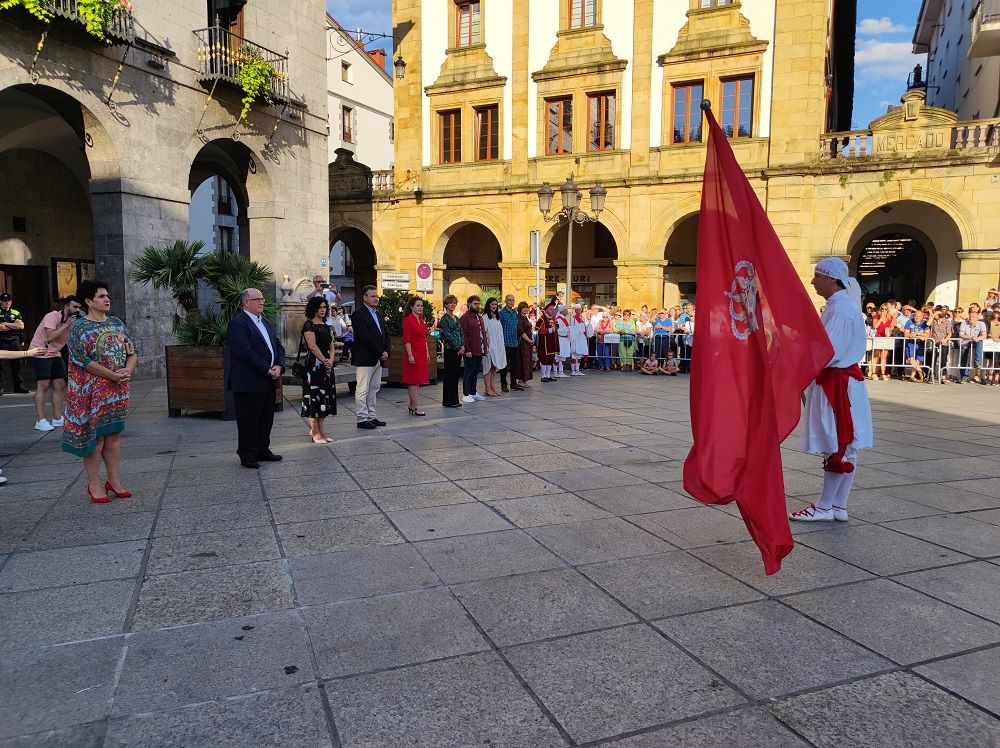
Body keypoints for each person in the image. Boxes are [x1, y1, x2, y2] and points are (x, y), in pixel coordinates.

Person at [791, 258, 872, 523]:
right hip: (845, 382)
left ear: (831, 279)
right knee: (847, 445)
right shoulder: (843, 306)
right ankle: (838, 504)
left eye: (817, 276)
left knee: (836, 443)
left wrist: (797, 369)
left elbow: (829, 352)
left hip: (836, 382)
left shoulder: (840, 309)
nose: (813, 281)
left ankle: (825, 506)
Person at [62, 279, 138, 502]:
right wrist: (112, 374)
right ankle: (94, 485)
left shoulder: (116, 323)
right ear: (88, 301)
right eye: (101, 296)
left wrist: (127, 370)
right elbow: (80, 359)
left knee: (113, 436)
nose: (107, 300)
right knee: (96, 439)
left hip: (117, 390)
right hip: (92, 391)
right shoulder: (79, 327)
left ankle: (114, 481)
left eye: (107, 296)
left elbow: (132, 351)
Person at [227, 288, 285, 467]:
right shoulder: (238, 323)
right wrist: (266, 369)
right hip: (248, 381)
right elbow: (244, 352)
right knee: (248, 420)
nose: (262, 302)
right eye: (257, 299)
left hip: (268, 380)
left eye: (262, 299)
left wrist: (279, 366)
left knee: (266, 418)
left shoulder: (266, 322)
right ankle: (247, 455)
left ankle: (262, 449)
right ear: (246, 303)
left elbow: (278, 346)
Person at [28, 296, 82, 431]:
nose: (77, 310)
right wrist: (66, 325)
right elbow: (51, 336)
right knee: (43, 385)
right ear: (66, 307)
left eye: (79, 307)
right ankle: (40, 420)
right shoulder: (52, 316)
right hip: (40, 352)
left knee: (60, 384)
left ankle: (57, 418)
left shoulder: (74, 321)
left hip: (55, 353)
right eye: (75, 307)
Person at [351, 285, 391, 429]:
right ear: (365, 298)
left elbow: (385, 334)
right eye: (373, 296)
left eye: (377, 296)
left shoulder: (378, 314)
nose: (376, 298)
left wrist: (387, 350)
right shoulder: (358, 314)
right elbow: (365, 337)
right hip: (365, 358)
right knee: (363, 389)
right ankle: (362, 418)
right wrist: (380, 351)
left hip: (378, 358)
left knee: (374, 388)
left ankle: (371, 416)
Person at [300, 296, 337, 444]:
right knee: (313, 397)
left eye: (324, 307)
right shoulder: (309, 325)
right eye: (320, 307)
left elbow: (332, 346)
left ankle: (322, 431)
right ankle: (315, 432)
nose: (322, 310)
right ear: (313, 308)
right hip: (314, 366)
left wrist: (331, 361)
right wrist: (324, 360)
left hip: (326, 365)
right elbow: (312, 346)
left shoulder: (327, 326)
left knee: (324, 398)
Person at [402, 296, 430, 415]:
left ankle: (412, 404)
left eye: (421, 305)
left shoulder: (422, 320)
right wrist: (410, 355)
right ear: (412, 307)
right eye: (417, 305)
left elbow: (424, 338)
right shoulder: (408, 320)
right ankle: (414, 405)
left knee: (418, 380)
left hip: (422, 353)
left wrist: (427, 352)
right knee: (413, 380)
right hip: (413, 353)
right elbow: (407, 340)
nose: (420, 307)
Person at [437, 294, 465, 408]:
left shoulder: (457, 318)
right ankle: (448, 401)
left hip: (459, 349)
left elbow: (461, 332)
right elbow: (448, 335)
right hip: (450, 350)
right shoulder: (444, 319)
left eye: (454, 302)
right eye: (450, 303)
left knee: (455, 376)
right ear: (446, 305)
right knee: (449, 375)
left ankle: (455, 399)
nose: (453, 304)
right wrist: (458, 347)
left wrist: (463, 345)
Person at [459, 295, 488, 403]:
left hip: (479, 349)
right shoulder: (465, 318)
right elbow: (464, 335)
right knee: (469, 371)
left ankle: (473, 392)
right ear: (469, 305)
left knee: (475, 372)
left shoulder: (479, 317)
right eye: (475, 304)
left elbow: (482, 333)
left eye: (478, 304)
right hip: (470, 350)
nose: (477, 306)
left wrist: (485, 348)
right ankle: (466, 394)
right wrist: (467, 350)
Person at [0, 292, 29, 394]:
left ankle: (18, 386)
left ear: (11, 301)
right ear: (0, 302)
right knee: (1, 366)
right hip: (2, 341)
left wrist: (6, 324)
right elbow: (0, 328)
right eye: (4, 301)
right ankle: (1, 387)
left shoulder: (16, 312)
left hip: (14, 341)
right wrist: (13, 325)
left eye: (8, 300)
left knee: (16, 365)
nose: (6, 303)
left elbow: (20, 326)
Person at [498, 294, 524, 392]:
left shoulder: (515, 313)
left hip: (514, 342)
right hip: (505, 342)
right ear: (505, 301)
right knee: (504, 365)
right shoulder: (501, 313)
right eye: (509, 300)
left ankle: (513, 384)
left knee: (514, 364)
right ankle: (503, 384)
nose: (511, 302)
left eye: (513, 300)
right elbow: (499, 328)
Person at [482, 297, 507, 396]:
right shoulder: (484, 317)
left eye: (495, 304)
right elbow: (484, 333)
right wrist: (487, 346)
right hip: (489, 346)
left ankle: (493, 387)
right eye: (492, 304)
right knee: (488, 367)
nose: (494, 306)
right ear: (488, 305)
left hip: (498, 346)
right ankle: (487, 389)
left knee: (494, 367)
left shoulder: (497, 318)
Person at [958, 307, 988, 384]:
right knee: (963, 355)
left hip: (976, 341)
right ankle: (964, 376)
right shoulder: (964, 323)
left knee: (980, 342)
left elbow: (984, 335)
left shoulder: (981, 324)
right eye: (970, 316)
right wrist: (971, 337)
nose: (972, 318)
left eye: (974, 317)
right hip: (966, 341)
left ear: (978, 317)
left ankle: (978, 362)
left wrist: (978, 338)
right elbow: (961, 334)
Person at [903, 307, 930, 382]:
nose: (916, 318)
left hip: (920, 344)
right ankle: (921, 372)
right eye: (915, 316)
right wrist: (920, 335)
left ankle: (912, 376)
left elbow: (927, 335)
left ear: (922, 317)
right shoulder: (909, 322)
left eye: (918, 316)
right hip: (910, 343)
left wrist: (916, 334)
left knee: (917, 360)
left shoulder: (924, 323)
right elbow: (906, 334)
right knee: (910, 359)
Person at [536, 301, 559, 382]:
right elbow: (537, 329)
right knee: (544, 359)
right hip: (544, 342)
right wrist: (549, 330)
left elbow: (556, 327)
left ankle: (548, 375)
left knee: (550, 359)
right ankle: (543, 376)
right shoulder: (542, 319)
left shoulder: (553, 319)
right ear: (546, 310)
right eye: (551, 309)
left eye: (553, 309)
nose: (552, 311)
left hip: (552, 341)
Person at [567, 304, 590, 376]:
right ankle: (573, 370)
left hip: (581, 337)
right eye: (578, 309)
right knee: (574, 354)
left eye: (580, 309)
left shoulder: (583, 317)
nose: (579, 311)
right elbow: (572, 328)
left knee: (579, 355)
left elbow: (583, 327)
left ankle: (577, 370)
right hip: (575, 337)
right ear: (575, 310)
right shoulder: (572, 318)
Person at [516, 301, 535, 387]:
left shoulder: (525, 318)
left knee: (527, 361)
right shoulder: (519, 318)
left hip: (528, 343)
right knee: (523, 360)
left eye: (526, 307)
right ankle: (521, 380)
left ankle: (524, 379)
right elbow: (520, 331)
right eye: (523, 307)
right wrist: (529, 340)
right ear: (520, 308)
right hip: (523, 342)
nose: (525, 309)